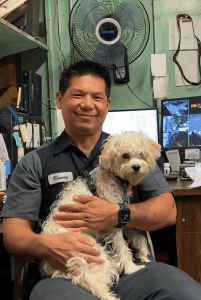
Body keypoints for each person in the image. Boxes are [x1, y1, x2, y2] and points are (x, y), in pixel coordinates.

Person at [2, 60, 201, 300]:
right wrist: (49, 246)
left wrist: (117, 214)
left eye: (97, 97)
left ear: (107, 105)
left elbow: (167, 211)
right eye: (77, 95)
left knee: (188, 294)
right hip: (67, 270)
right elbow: (13, 236)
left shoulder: (130, 150)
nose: (87, 104)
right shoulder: (35, 162)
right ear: (59, 99)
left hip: (130, 268)